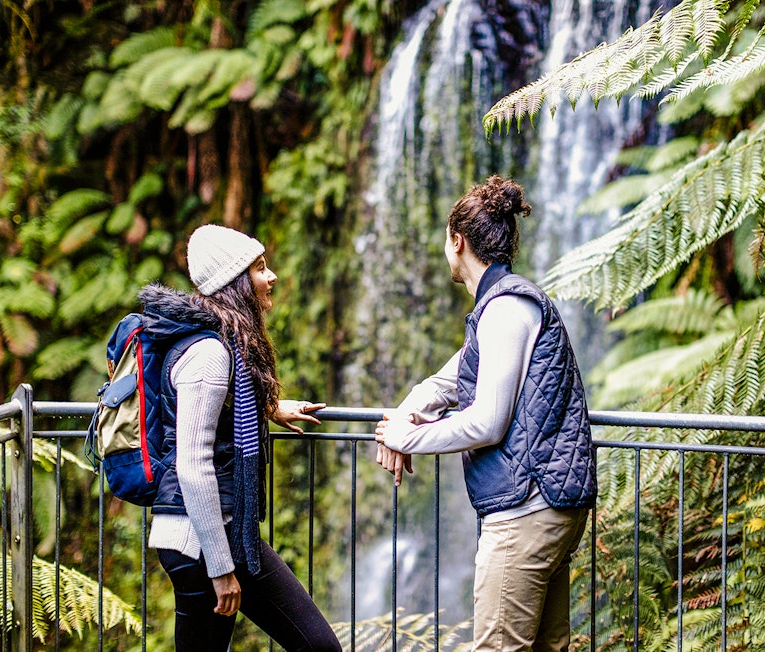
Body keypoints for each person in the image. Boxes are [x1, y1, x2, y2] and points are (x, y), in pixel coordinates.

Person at [374, 175, 597, 651]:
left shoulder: (506, 309)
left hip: (527, 509)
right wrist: (403, 417)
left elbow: (486, 422)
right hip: (549, 503)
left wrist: (405, 439)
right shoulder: (503, 305)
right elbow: (445, 382)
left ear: (457, 242)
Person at [141, 224, 341, 651]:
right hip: (202, 542)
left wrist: (271, 409)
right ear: (235, 282)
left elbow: (215, 411)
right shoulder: (209, 354)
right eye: (260, 268)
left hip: (219, 533)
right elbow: (192, 466)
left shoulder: (218, 343)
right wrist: (219, 568)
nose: (271, 277)